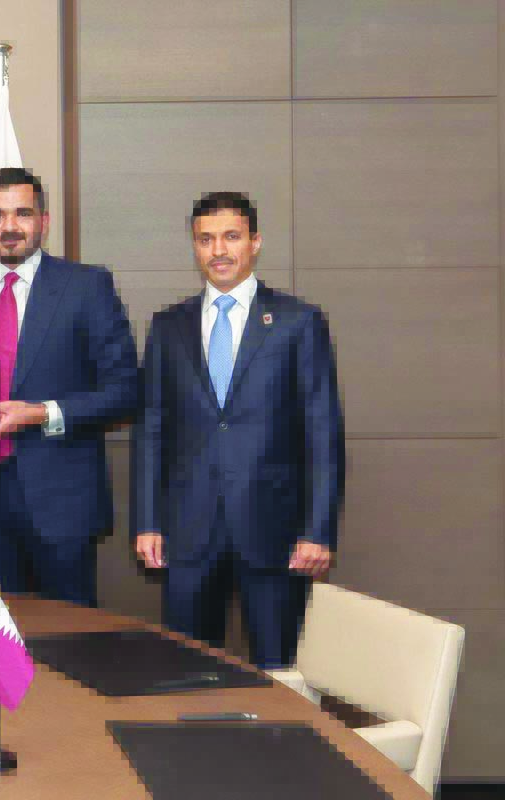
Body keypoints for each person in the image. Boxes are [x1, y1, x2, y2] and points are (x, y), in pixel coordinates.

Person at [132, 191, 344, 669]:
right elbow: (151, 428)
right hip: (187, 530)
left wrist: (318, 530)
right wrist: (147, 520)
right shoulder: (168, 326)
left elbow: (322, 432)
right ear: (195, 246)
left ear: (255, 242)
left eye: (231, 236)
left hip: (275, 532)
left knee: (278, 673)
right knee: (187, 671)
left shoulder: (298, 322)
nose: (219, 250)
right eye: (205, 239)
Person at [0, 167, 138, 606]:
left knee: (67, 638)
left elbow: (124, 390)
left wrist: (42, 413)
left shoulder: (87, 286)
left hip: (61, 504)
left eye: (22, 213)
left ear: (44, 220)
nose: (9, 227)